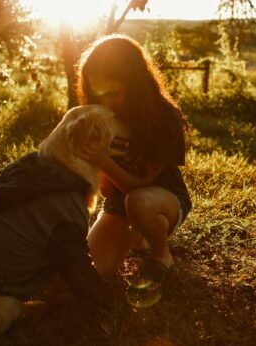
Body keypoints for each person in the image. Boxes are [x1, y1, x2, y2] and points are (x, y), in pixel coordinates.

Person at [74, 34, 192, 293]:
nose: (106, 102)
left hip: (162, 199)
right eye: (97, 93)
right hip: (119, 204)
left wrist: (103, 160)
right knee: (95, 270)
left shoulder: (164, 119)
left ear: (135, 83)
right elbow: (108, 191)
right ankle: (138, 235)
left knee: (138, 202)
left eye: (113, 93)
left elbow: (141, 186)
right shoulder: (105, 118)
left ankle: (161, 255)